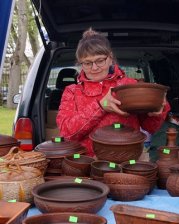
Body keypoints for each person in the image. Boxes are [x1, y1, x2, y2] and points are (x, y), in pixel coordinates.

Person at [56, 28, 170, 156]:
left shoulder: (129, 86)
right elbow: (67, 133)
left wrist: (159, 109)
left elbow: (151, 128)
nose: (94, 68)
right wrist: (100, 107)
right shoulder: (72, 92)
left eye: (100, 60)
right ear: (81, 63)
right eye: (87, 63)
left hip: (129, 161)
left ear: (110, 58)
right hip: (88, 164)